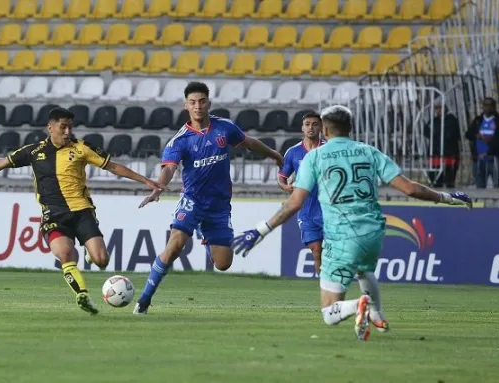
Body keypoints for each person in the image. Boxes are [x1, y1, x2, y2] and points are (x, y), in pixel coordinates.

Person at [232, 105, 472, 341]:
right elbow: (409, 188)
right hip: (374, 233)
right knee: (364, 270)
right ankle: (377, 315)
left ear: (324, 129)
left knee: (329, 314)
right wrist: (448, 198)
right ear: (351, 127)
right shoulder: (369, 151)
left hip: (340, 236)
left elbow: (294, 203)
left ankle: (360, 304)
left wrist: (261, 230)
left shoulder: (314, 157)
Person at [0, 107, 165, 315]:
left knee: (101, 260)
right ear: (50, 128)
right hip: (54, 214)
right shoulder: (35, 152)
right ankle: (82, 295)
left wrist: (146, 181)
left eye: (70, 127)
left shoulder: (82, 148)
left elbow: (113, 166)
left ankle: (90, 253)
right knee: (65, 254)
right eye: (63, 127)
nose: (68, 131)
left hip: (82, 211)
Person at [133, 81, 284, 314]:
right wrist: (159, 187)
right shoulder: (180, 140)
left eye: (202, 101)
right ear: (186, 106)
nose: (198, 106)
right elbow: (169, 168)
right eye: (193, 102)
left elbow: (250, 143)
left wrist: (275, 156)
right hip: (192, 201)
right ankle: (143, 301)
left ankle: (205, 233)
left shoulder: (224, 128)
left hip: (219, 206)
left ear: (208, 103)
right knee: (174, 247)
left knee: (223, 264)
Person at [277, 111, 326, 274]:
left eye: (315, 124)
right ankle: (324, 287)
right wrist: (286, 187)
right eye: (307, 124)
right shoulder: (293, 152)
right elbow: (281, 177)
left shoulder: (329, 149)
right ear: (302, 128)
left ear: (321, 127)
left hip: (328, 208)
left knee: (334, 250)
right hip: (306, 209)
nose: (311, 128)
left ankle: (337, 285)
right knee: (316, 250)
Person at [466, 97, 499, 188]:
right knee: (480, 186)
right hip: (478, 159)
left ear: (494, 107)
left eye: (490, 105)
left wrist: (489, 150)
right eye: (485, 105)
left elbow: (498, 140)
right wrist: (476, 135)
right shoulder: (478, 120)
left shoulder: (498, 121)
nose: (488, 107)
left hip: (494, 159)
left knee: (498, 186)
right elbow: (468, 134)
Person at [423, 103, 461, 188]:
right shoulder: (434, 120)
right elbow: (426, 131)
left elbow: (453, 135)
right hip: (435, 151)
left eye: (440, 108)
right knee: (434, 175)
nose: (438, 110)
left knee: (449, 175)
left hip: (448, 152)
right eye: (437, 108)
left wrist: (440, 134)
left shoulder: (452, 120)